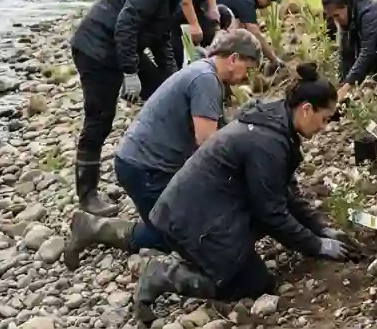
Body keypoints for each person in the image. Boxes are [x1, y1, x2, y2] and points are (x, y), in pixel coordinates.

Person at [133, 63, 354, 322]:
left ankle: (211, 260)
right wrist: (318, 245)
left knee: (251, 261)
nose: (325, 127)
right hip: (194, 220)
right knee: (254, 284)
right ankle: (163, 275)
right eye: (325, 119)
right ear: (306, 109)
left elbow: (287, 194)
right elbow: (272, 213)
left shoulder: (276, 120)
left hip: (207, 208)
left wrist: (322, 230)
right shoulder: (268, 143)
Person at [61, 30, 262, 270]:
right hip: (145, 168)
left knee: (192, 219)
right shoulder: (206, 80)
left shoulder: (203, 71)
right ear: (233, 58)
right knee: (176, 235)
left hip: (150, 162)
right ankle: (94, 228)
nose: (246, 76)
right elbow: (208, 143)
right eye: (248, 68)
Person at [68, 0, 213, 216]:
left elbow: (161, 39)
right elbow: (125, 25)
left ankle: (172, 169)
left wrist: (175, 81)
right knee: (99, 119)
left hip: (121, 48)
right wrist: (130, 72)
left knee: (164, 94)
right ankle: (87, 195)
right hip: (95, 50)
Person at [215, 0, 284, 71]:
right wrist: (273, 59)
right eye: (269, 0)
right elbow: (254, 32)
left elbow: (243, 26)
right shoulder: (246, 0)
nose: (269, 4)